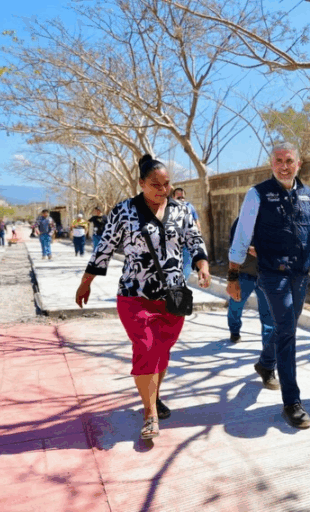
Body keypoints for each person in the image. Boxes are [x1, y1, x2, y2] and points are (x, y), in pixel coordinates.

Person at [75, 154, 211, 441]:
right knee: (147, 348)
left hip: (173, 295)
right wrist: (86, 282)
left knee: (162, 350)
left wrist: (203, 266)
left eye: (166, 184)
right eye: (155, 185)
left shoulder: (181, 210)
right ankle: (150, 414)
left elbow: (195, 241)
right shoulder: (124, 211)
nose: (163, 189)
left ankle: (154, 396)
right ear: (141, 183)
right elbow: (104, 248)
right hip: (134, 294)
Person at [227, 142, 310, 429]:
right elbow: (241, 236)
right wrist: (233, 275)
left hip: (300, 274)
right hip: (271, 274)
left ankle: (266, 363)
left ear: (298, 164)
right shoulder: (257, 194)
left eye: (289, 160)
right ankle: (292, 402)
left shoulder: (309, 195)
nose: (284, 166)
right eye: (279, 160)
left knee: (284, 326)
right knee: (287, 329)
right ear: (271, 164)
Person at [227, 216, 278, 389]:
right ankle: (234, 330)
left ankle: (268, 360)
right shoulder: (242, 221)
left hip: (266, 275)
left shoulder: (273, 220)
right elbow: (234, 247)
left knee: (268, 318)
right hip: (245, 274)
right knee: (236, 305)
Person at [171, 187, 201, 276]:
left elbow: (196, 221)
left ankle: (184, 281)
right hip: (174, 243)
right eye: (179, 198)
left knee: (187, 267)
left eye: (183, 197)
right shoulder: (169, 208)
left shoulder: (189, 206)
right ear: (173, 198)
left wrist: (199, 234)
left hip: (187, 242)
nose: (181, 200)